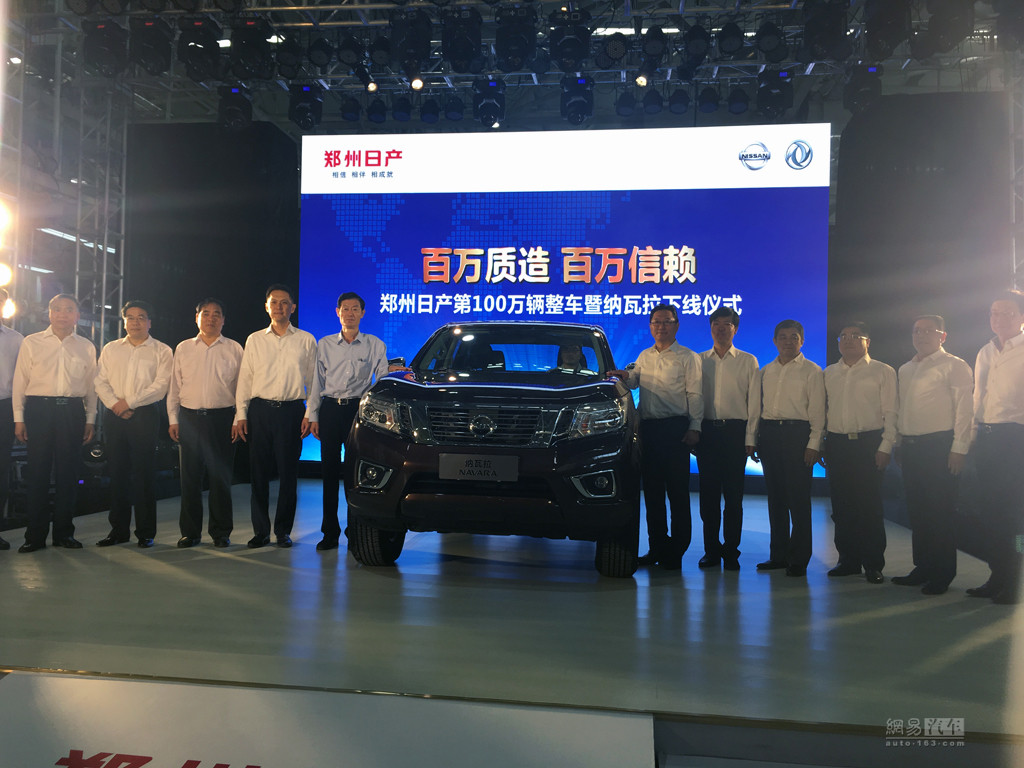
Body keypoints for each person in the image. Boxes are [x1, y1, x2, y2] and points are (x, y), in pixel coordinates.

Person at [610, 304, 702, 570]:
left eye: (667, 321)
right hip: (648, 430)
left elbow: (695, 394)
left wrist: (695, 426)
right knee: (652, 494)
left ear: (677, 325)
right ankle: (657, 547)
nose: (661, 326)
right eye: (656, 322)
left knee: (677, 494)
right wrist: (624, 376)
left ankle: (676, 551)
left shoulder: (688, 357)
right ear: (650, 326)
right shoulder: (645, 355)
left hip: (676, 430)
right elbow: (634, 380)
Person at [892, 315, 973, 595]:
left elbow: (965, 410)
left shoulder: (955, 365)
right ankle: (923, 567)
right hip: (911, 448)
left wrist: (959, 448)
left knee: (940, 513)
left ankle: (943, 573)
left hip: (940, 448)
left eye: (929, 330)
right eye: (917, 331)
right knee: (918, 512)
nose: (922, 335)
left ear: (943, 336)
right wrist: (899, 443)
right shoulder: (905, 368)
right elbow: (902, 409)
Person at [306, 292, 393, 552]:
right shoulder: (325, 344)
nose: (350, 313)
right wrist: (312, 414)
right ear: (338, 312)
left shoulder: (374, 344)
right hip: (330, 410)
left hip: (358, 410)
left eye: (355, 309)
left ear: (363, 313)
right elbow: (316, 382)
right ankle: (329, 532)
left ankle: (355, 530)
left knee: (357, 474)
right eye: (345, 308)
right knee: (329, 473)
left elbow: (382, 379)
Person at [233, 284, 316, 549]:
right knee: (258, 474)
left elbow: (314, 381)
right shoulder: (255, 339)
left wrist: (310, 413)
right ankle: (260, 531)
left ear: (293, 307)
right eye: (274, 302)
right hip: (259, 411)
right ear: (266, 307)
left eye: (284, 302)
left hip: (291, 412)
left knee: (288, 475)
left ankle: (282, 531)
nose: (279, 307)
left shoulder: (306, 339)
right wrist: (241, 414)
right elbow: (245, 378)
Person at [13, 294, 97, 552]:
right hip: (39, 410)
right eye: (57, 309)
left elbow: (92, 387)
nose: (63, 314)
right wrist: (19, 418)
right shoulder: (31, 342)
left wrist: (90, 419)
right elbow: (20, 382)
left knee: (68, 474)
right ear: (49, 314)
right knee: (37, 472)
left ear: (77, 315)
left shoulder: (86, 346)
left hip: (72, 411)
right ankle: (34, 536)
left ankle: (64, 533)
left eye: (69, 309)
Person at [822, 321, 897, 584]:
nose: (848, 340)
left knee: (869, 506)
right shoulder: (829, 373)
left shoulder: (882, 371)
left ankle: (873, 564)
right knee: (842, 506)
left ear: (868, 342)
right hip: (837, 444)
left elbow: (891, 412)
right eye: (843, 336)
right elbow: (823, 410)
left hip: (869, 443)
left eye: (855, 336)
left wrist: (885, 446)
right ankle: (848, 560)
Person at [93, 301, 173, 548]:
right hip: (114, 415)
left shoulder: (162, 350)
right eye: (130, 317)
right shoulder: (111, 348)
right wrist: (114, 404)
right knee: (117, 473)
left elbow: (160, 386)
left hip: (145, 415)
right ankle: (118, 530)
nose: (135, 322)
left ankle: (146, 532)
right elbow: (100, 381)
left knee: (144, 475)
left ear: (149, 322)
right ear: (124, 321)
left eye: (141, 317)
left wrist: (129, 403)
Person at [167, 299, 243, 549]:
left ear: (224, 320)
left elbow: (242, 388)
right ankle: (190, 533)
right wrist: (173, 418)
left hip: (222, 419)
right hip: (189, 419)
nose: (211, 318)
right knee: (189, 479)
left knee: (220, 479)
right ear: (196, 317)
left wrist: (238, 418)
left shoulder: (234, 348)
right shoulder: (183, 348)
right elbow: (174, 387)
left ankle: (221, 532)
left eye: (216, 314)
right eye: (206, 313)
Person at [967, 289, 1024, 605]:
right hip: (988, 439)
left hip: (1017, 439)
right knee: (991, 512)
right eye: (994, 313)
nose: (998, 318)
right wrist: (972, 437)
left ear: (1021, 316)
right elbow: (978, 397)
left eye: (1007, 312)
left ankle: (1017, 580)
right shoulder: (985, 351)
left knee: (1016, 517)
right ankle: (998, 575)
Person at [756, 320, 825, 578]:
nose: (788, 341)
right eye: (782, 337)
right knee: (776, 499)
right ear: (775, 341)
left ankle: (799, 558)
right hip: (770, 434)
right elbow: (758, 408)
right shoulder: (766, 371)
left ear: (802, 341)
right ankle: (779, 555)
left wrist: (814, 443)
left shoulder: (812, 371)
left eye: (793, 337)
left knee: (798, 499)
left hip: (798, 435)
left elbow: (818, 412)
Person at [696, 306, 759, 571]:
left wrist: (751, 437)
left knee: (734, 498)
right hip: (707, 432)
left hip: (735, 433)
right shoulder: (699, 360)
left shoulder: (748, 361)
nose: (721, 328)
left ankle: (731, 551)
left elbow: (754, 402)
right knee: (708, 497)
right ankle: (711, 550)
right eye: (716, 324)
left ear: (736, 329)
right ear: (711, 328)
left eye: (727, 324)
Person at [0, 288, 24, 551]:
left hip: (3, 407)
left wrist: (19, 416)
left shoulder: (16, 339)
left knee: (1, 471)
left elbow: (21, 380)